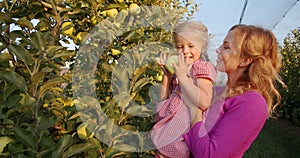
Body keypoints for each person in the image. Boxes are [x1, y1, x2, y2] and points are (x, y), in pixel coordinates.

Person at [183, 24, 285, 158]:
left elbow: (209, 155)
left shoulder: (252, 103)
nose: (218, 50)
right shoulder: (217, 91)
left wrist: (195, 107)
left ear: (245, 60)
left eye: (226, 47)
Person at [150, 21, 217, 158]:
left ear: (202, 46)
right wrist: (167, 77)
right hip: (166, 133)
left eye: (191, 46)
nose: (185, 51)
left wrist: (182, 76)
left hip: (181, 138)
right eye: (180, 46)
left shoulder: (201, 67)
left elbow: (204, 102)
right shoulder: (178, 67)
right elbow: (163, 100)